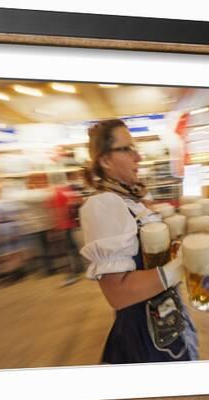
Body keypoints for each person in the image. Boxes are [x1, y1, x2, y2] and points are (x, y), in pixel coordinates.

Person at [79, 119, 199, 364]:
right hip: (144, 338)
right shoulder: (103, 205)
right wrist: (181, 266)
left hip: (169, 321)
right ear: (105, 160)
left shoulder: (133, 199)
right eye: (128, 149)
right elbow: (118, 294)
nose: (139, 157)